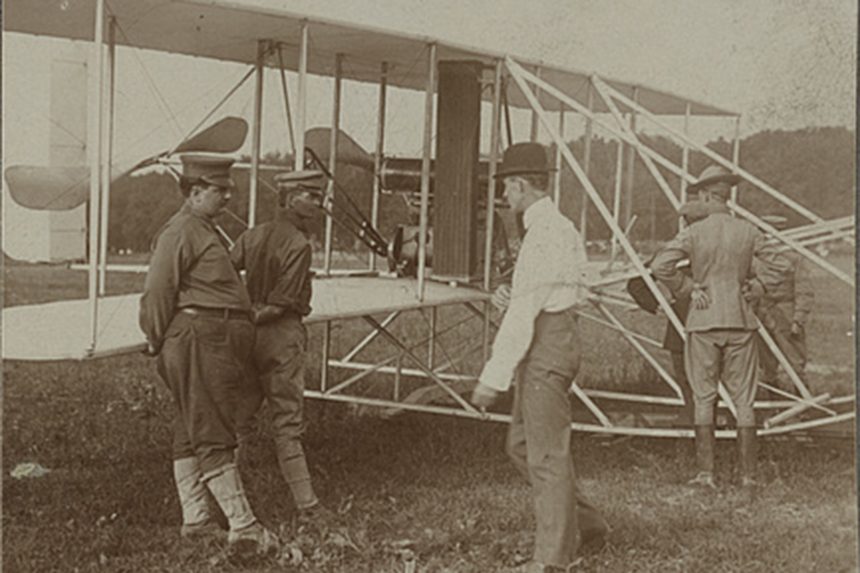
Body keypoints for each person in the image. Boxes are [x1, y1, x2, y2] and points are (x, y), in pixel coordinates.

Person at [470, 143, 607, 572]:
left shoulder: (543, 232)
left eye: (507, 188)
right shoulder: (558, 225)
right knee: (522, 445)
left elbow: (523, 316)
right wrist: (521, 293)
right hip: (556, 336)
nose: (504, 198)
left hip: (546, 344)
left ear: (521, 184)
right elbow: (575, 283)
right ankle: (588, 524)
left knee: (545, 455)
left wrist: (491, 379)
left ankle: (551, 560)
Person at [139, 153, 278, 553]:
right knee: (214, 430)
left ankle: (197, 520)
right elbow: (158, 290)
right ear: (196, 191)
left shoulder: (205, 228)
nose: (229, 196)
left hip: (213, 338)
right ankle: (245, 527)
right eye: (221, 190)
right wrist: (154, 335)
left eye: (230, 189)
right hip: (200, 337)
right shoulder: (182, 230)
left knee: (191, 430)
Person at [651, 164, 789, 494]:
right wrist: (758, 287)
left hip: (703, 320)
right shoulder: (748, 230)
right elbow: (783, 264)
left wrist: (687, 287)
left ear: (706, 196)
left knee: (704, 396)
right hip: (741, 320)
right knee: (744, 400)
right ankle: (748, 477)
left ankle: (706, 475)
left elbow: (660, 265)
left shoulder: (694, 232)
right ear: (727, 196)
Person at [231, 170, 325, 519]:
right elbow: (282, 303)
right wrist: (257, 314)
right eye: (310, 195)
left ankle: (229, 501)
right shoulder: (299, 244)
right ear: (289, 197)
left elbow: (225, 272)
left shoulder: (252, 234)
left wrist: (241, 314)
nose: (318, 202)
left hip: (248, 335)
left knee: (239, 418)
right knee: (287, 422)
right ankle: (308, 506)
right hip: (281, 335)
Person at [626, 200, 714, 427]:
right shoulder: (677, 252)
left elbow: (636, 282)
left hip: (703, 326)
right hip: (688, 326)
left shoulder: (700, 248)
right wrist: (658, 306)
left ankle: (704, 428)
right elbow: (637, 283)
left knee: (702, 382)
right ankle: (699, 430)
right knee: (694, 382)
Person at [753, 215, 814, 393]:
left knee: (795, 361)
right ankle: (775, 400)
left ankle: (805, 402)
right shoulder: (755, 258)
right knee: (766, 362)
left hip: (785, 312)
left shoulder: (792, 257)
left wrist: (798, 319)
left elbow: (804, 290)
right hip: (761, 312)